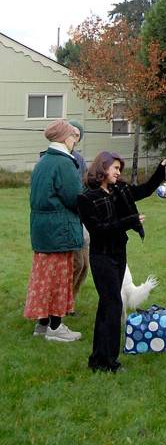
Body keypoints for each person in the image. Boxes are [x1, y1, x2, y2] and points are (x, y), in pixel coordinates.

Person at [77, 151, 166, 373]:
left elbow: (144, 190)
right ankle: (110, 362)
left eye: (120, 169)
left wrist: (161, 171)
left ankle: (98, 359)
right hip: (102, 257)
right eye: (115, 168)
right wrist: (129, 221)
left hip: (119, 254)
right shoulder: (86, 198)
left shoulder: (119, 190)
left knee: (106, 306)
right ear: (102, 169)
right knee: (113, 306)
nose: (119, 173)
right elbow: (98, 231)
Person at [24, 119, 84, 342]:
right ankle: (56, 327)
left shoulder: (43, 161)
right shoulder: (63, 163)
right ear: (64, 138)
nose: (74, 140)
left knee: (44, 278)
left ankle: (42, 325)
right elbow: (74, 198)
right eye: (72, 136)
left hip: (42, 230)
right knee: (59, 279)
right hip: (59, 229)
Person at [69, 121, 90, 308]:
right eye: (72, 133)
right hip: (68, 219)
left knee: (84, 265)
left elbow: (86, 184)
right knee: (76, 262)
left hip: (81, 218)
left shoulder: (79, 160)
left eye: (77, 135)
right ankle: (65, 301)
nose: (74, 137)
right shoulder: (59, 158)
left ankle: (71, 299)